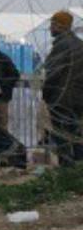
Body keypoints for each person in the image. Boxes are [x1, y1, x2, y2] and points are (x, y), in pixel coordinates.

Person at [42, 10, 83, 164]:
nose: (50, 28)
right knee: (77, 136)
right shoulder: (80, 44)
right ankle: (79, 170)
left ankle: (66, 174)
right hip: (78, 100)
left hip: (61, 100)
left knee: (62, 138)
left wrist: (46, 95)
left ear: (60, 26)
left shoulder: (62, 45)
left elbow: (53, 74)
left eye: (52, 24)